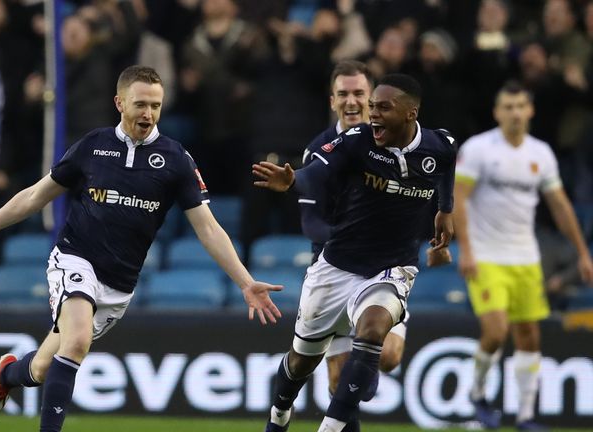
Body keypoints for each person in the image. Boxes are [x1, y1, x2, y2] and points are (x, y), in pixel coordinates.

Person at [0, 65, 282, 432]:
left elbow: (208, 229)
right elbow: (35, 196)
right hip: (74, 258)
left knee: (42, 368)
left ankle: (6, 375)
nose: (148, 114)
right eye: (140, 104)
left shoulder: (176, 161)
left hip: (118, 284)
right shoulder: (92, 146)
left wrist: (245, 282)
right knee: (76, 343)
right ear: (119, 103)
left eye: (156, 106)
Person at [253, 73, 457, 432]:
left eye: (382, 107)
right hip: (337, 266)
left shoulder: (439, 146)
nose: (372, 114)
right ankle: (279, 415)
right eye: (372, 106)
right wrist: (293, 180)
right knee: (302, 362)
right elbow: (317, 174)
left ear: (411, 113)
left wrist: (445, 210)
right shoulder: (358, 141)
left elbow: (447, 168)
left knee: (375, 332)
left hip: (392, 268)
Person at [299, 61, 442, 410]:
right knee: (338, 380)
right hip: (338, 267)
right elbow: (311, 220)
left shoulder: (404, 143)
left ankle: (361, 370)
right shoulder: (320, 150)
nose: (352, 101)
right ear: (332, 100)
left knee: (389, 355)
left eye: (359, 93)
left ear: (373, 98)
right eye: (344, 94)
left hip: (389, 267)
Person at [453, 81, 593, 431]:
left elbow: (559, 205)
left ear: (530, 110)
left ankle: (526, 416)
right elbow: (460, 198)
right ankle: (477, 392)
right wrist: (466, 250)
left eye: (520, 106)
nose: (515, 113)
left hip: (526, 258)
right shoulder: (479, 149)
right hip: (486, 256)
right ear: (497, 112)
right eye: (508, 107)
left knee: (529, 335)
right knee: (497, 331)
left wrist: (582, 253)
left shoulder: (540, 153)